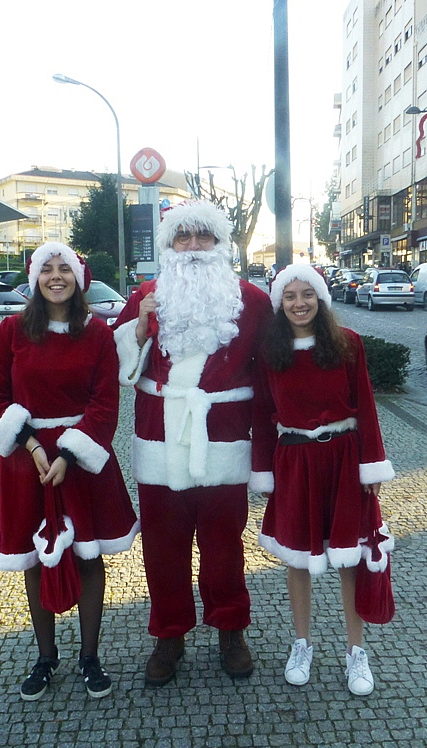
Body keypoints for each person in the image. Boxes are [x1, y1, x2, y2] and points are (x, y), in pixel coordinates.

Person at [111, 201, 272, 686]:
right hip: (160, 439)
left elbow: (273, 375)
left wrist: (271, 453)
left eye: (205, 237)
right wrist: (139, 328)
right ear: (170, 246)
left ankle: (230, 630)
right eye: (184, 237)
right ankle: (169, 635)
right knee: (162, 549)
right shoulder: (146, 295)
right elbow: (116, 363)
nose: (195, 247)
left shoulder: (253, 301)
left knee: (225, 548)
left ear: (221, 245)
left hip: (223, 438)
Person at [0, 243, 139, 701]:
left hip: (80, 462)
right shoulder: (12, 331)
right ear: (35, 280)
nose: (56, 276)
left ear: (78, 278)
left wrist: (69, 453)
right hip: (26, 462)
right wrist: (30, 444)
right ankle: (46, 657)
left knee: (88, 556)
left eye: (64, 268)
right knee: (33, 556)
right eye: (46, 269)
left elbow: (105, 403)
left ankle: (90, 656)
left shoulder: (98, 334)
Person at [249, 264, 395, 697]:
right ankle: (302, 644)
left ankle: (356, 651)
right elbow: (262, 415)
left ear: (321, 298)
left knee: (349, 559)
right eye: (290, 296)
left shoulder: (348, 344)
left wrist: (371, 465)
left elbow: (366, 405)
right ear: (280, 303)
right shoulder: (269, 353)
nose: (299, 303)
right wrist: (265, 473)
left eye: (307, 294)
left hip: (343, 460)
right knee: (297, 558)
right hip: (294, 462)